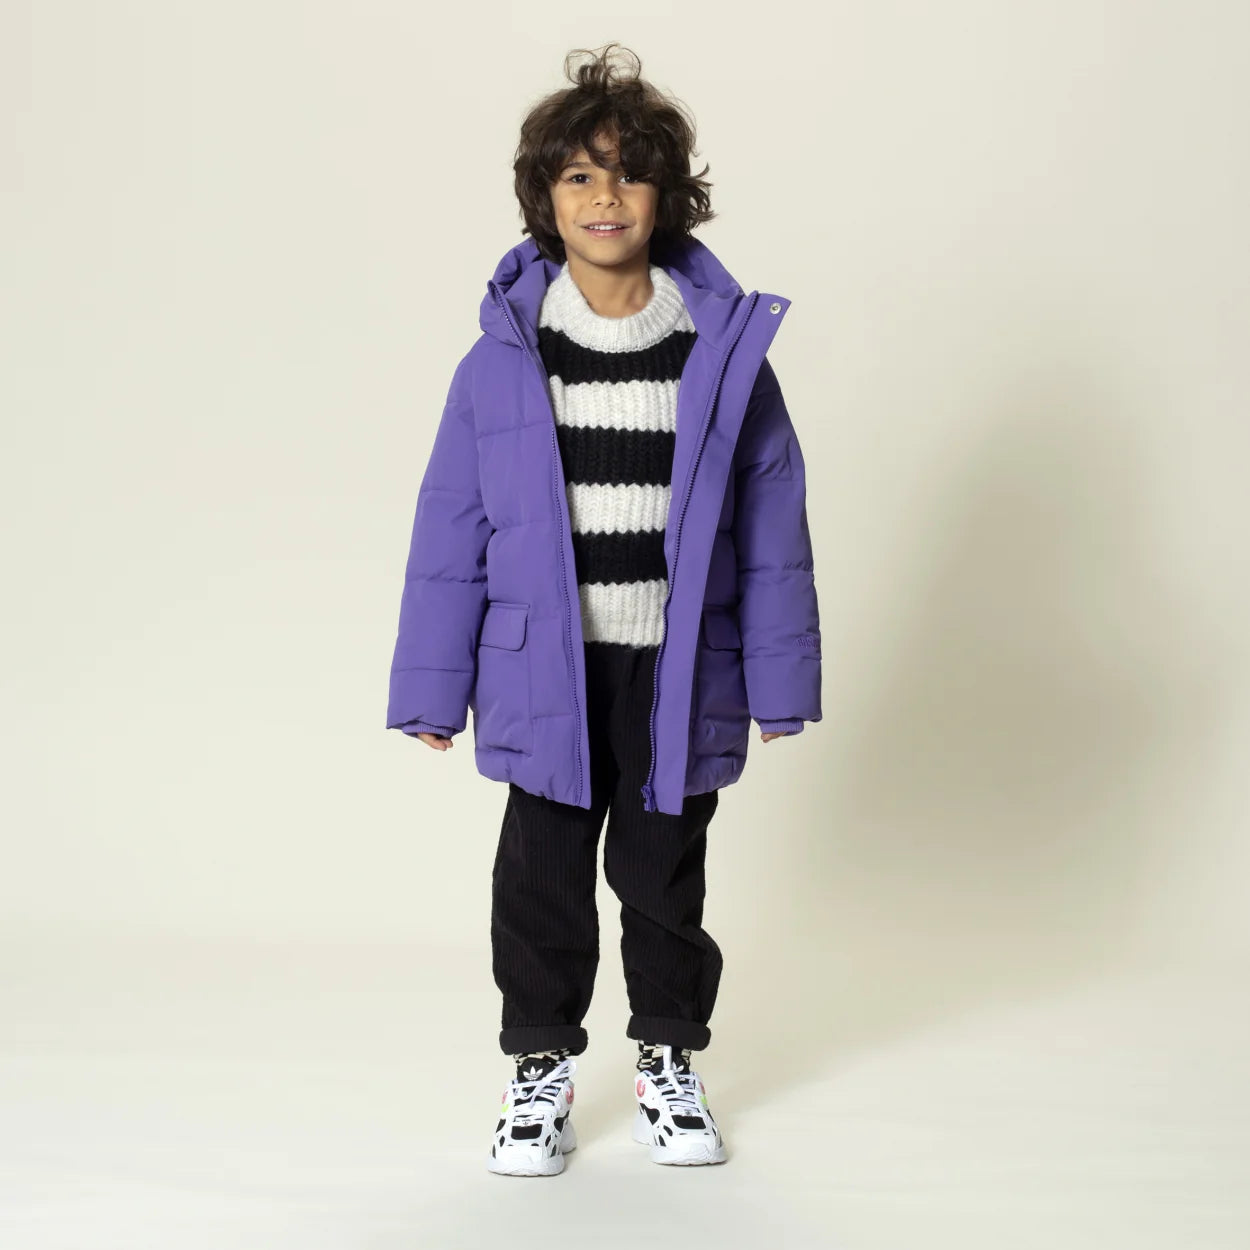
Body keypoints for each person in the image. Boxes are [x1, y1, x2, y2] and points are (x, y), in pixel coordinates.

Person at [385, 42, 821, 1176]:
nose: (605, 195)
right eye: (578, 174)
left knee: (662, 874)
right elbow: (450, 532)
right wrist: (432, 687)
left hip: (679, 666)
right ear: (545, 197)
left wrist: (779, 682)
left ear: (667, 193)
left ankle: (668, 1058)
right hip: (545, 666)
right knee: (540, 880)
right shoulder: (500, 360)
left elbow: (773, 529)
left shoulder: (723, 354)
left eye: (629, 172)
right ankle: (538, 1068)